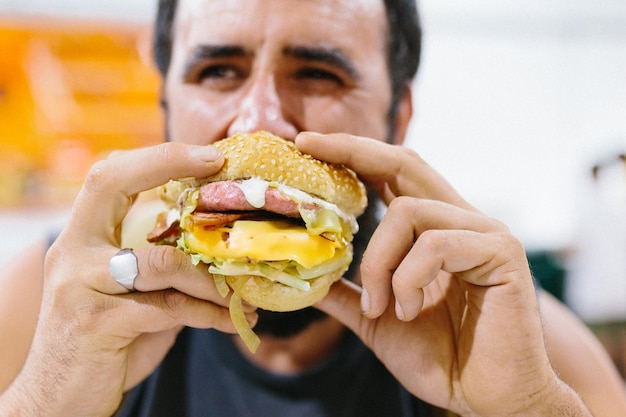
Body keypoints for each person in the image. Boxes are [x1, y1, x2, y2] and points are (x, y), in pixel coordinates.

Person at [1, 0, 625, 415]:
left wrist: (528, 408)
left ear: (397, 117)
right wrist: (44, 400)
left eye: (318, 73)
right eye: (218, 70)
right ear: (164, 102)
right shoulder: (50, 301)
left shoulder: (515, 334)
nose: (260, 118)